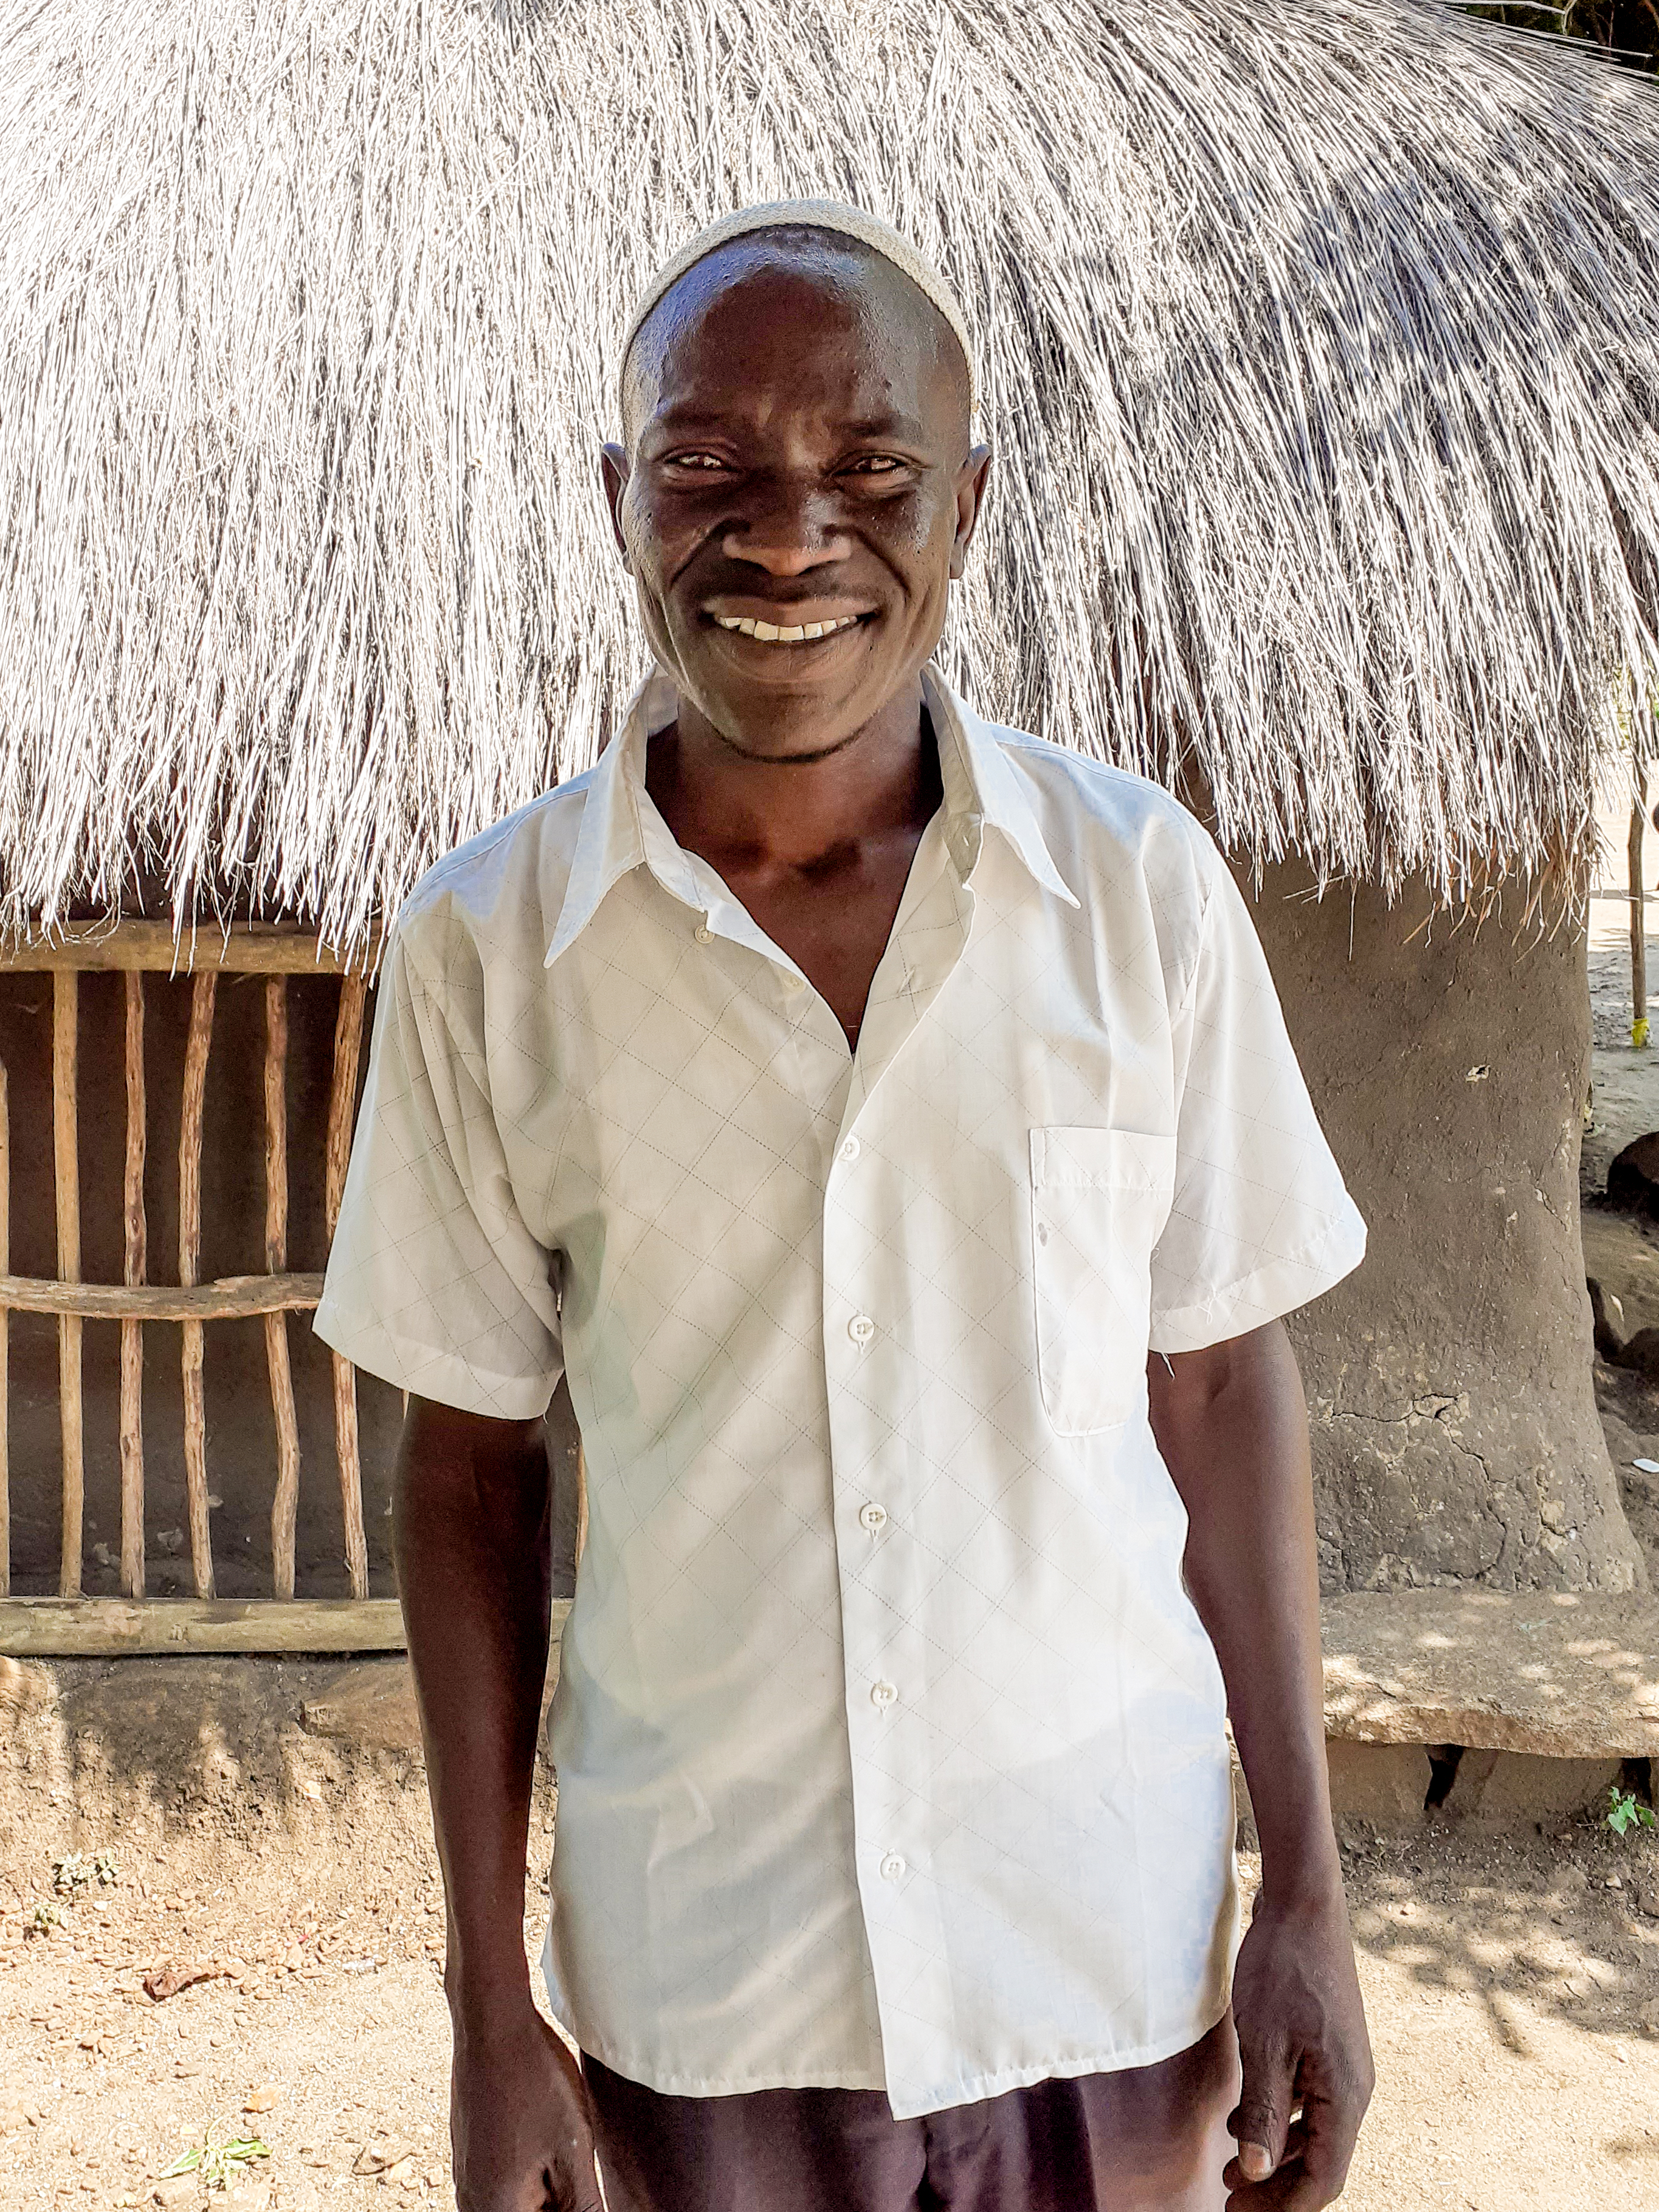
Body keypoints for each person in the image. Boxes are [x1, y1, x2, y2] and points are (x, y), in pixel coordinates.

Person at [315, 200, 1374, 2212]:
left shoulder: (1137, 898)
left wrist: (1310, 1893)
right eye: (709, 466)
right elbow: (465, 1472)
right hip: (708, 1990)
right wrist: (482, 1999)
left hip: (1104, 1956)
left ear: (963, 505)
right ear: (619, 498)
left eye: (867, 470)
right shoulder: (486, 949)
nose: (789, 538)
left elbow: (1223, 1386)